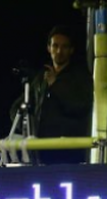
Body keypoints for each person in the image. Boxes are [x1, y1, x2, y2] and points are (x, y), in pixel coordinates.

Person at [10, 25, 93, 164]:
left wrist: (55, 84)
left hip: (67, 153)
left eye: (65, 47)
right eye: (55, 46)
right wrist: (27, 128)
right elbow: (17, 108)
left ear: (71, 50)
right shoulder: (41, 77)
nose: (59, 51)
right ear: (49, 48)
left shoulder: (80, 76)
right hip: (39, 151)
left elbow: (80, 105)